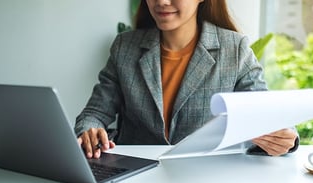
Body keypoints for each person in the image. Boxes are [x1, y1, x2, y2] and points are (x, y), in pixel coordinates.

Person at [75, 0, 298, 159]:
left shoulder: (234, 48)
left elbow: (265, 110)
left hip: (206, 180)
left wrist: (286, 138)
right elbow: (94, 113)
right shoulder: (125, 47)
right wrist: (89, 130)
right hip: (134, 177)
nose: (161, 2)